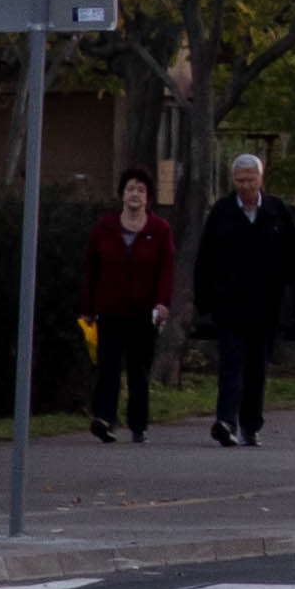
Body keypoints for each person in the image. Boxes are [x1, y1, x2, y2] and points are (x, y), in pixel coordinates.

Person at [188, 151, 295, 449]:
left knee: (256, 368)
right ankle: (225, 421)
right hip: (230, 304)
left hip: (266, 305)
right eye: (239, 181)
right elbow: (205, 259)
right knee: (231, 364)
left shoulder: (276, 212)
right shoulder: (222, 212)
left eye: (250, 180)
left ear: (261, 179)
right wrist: (203, 300)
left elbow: (294, 256)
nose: (244, 186)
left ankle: (251, 425)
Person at [82, 173, 177, 444]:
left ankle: (138, 424)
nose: (135, 194)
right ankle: (104, 418)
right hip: (110, 308)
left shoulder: (159, 229)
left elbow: (166, 270)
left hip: (143, 310)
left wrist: (162, 302)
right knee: (108, 365)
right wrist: (87, 307)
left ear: (148, 197)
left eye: (141, 190)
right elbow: (92, 268)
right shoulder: (105, 228)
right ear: (122, 193)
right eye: (130, 189)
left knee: (138, 369)